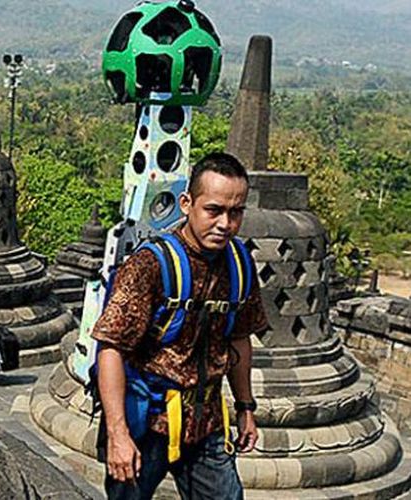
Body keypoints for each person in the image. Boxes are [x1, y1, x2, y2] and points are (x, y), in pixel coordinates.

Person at [92, 152, 269, 500]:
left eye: (236, 213)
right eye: (214, 210)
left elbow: (238, 339)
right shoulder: (150, 265)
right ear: (187, 203)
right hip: (148, 420)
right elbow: (111, 348)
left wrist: (246, 408)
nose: (224, 224)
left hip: (206, 420)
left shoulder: (239, 264)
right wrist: (118, 434)